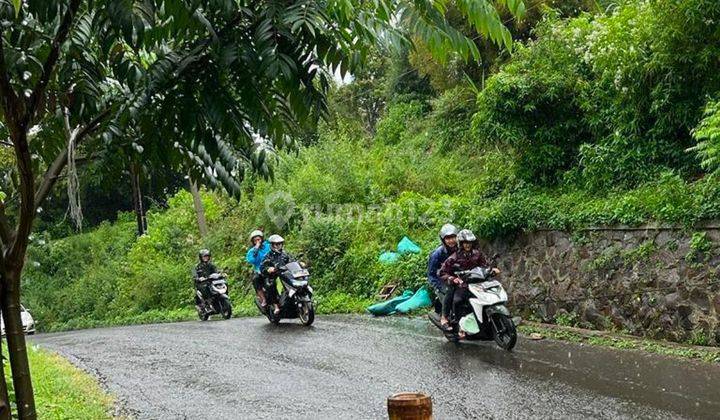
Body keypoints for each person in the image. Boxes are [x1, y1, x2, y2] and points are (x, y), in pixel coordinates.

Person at [439, 229, 498, 336]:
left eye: (470, 242)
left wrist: (492, 270)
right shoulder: (454, 257)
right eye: (465, 243)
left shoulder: (477, 254)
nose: (468, 245)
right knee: (458, 301)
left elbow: (485, 266)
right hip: (462, 285)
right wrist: (453, 278)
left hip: (477, 284)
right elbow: (442, 272)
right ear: (461, 243)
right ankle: (457, 324)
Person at [427, 223, 458, 330]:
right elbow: (431, 274)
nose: (451, 240)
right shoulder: (437, 254)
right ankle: (444, 318)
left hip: (457, 278)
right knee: (449, 292)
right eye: (448, 238)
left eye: (453, 237)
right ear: (443, 239)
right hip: (441, 281)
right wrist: (440, 286)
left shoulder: (460, 249)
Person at [260, 234, 293, 315]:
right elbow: (262, 267)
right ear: (272, 245)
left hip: (286, 274)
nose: (278, 246)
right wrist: (268, 269)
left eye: (280, 244)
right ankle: (276, 306)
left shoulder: (286, 254)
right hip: (274, 275)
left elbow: (293, 260)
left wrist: (300, 264)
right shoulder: (268, 255)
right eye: (276, 244)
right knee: (270, 284)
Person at [246, 229, 271, 307]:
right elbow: (252, 260)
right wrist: (256, 250)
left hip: (272, 266)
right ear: (253, 242)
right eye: (255, 240)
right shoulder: (251, 251)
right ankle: (263, 299)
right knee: (255, 279)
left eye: (259, 239)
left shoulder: (268, 246)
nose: (257, 241)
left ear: (262, 239)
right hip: (260, 270)